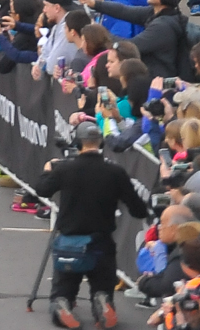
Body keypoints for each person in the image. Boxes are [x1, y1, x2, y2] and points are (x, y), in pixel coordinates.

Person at [35, 116, 152, 329]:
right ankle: (102, 301)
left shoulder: (64, 169)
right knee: (102, 284)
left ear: (78, 143)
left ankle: (62, 303)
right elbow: (138, 209)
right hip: (101, 242)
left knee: (63, 286)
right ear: (101, 143)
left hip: (69, 241)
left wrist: (47, 170)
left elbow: (41, 190)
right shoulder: (115, 172)